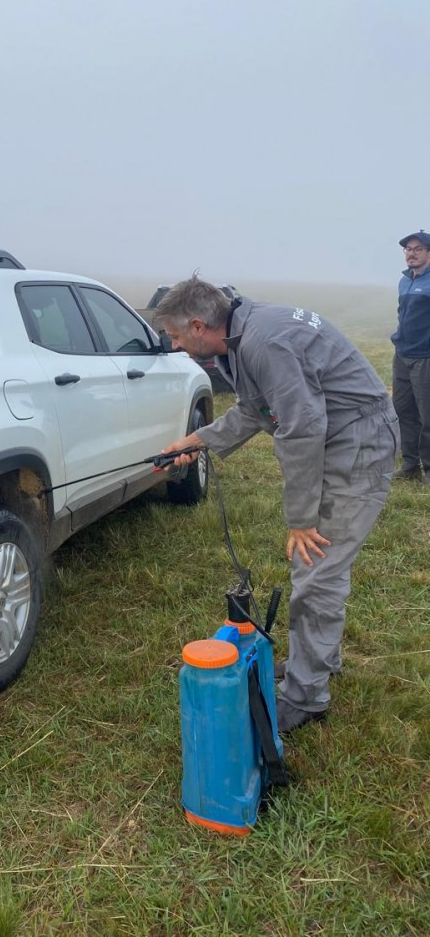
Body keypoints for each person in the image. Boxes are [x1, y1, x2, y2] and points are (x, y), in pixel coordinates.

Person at [156, 276, 398, 734]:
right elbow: (255, 408)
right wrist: (197, 440)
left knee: (317, 569)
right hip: (338, 435)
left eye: (175, 336)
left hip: (358, 444)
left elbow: (302, 428)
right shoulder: (241, 334)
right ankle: (317, 660)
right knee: (318, 568)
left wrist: (302, 520)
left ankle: (306, 697)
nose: (174, 345)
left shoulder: (264, 342)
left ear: (198, 325)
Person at [391, 229, 430, 483]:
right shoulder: (405, 281)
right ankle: (410, 466)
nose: (411, 254)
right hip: (403, 355)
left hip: (425, 357)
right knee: (403, 411)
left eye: (417, 249)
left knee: (427, 416)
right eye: (408, 249)